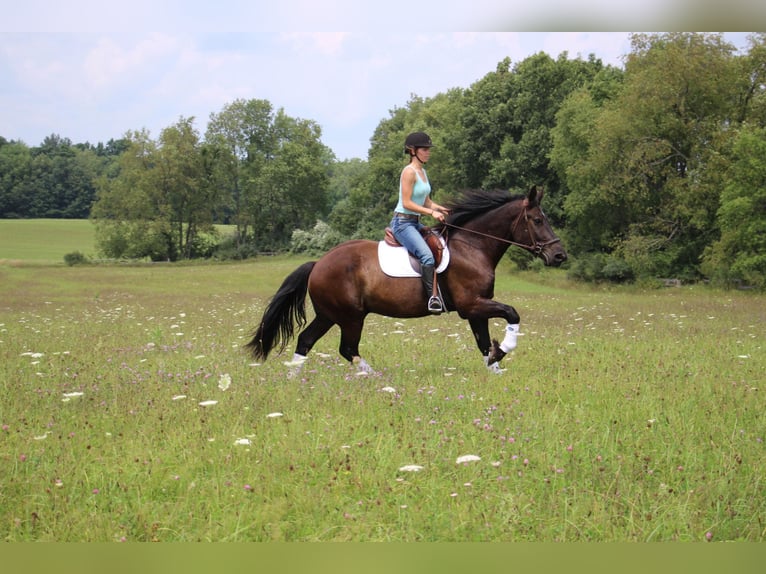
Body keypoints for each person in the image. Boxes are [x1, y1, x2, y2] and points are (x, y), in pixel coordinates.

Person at [390, 131, 450, 313]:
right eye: (425, 149)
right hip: (402, 223)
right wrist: (431, 212)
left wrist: (440, 208)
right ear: (413, 151)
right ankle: (432, 298)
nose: (428, 152)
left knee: (440, 246)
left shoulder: (422, 172)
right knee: (426, 256)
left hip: (415, 222)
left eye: (428, 149)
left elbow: (426, 201)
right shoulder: (408, 172)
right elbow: (407, 202)